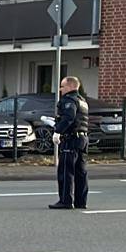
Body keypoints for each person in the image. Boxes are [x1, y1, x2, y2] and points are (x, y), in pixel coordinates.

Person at [49, 76, 89, 210]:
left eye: (63, 86)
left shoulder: (68, 100)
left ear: (71, 86)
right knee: (81, 172)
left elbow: (69, 117)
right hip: (82, 139)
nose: (61, 89)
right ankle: (80, 201)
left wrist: (58, 131)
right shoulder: (82, 101)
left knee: (66, 171)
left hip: (71, 139)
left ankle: (66, 201)